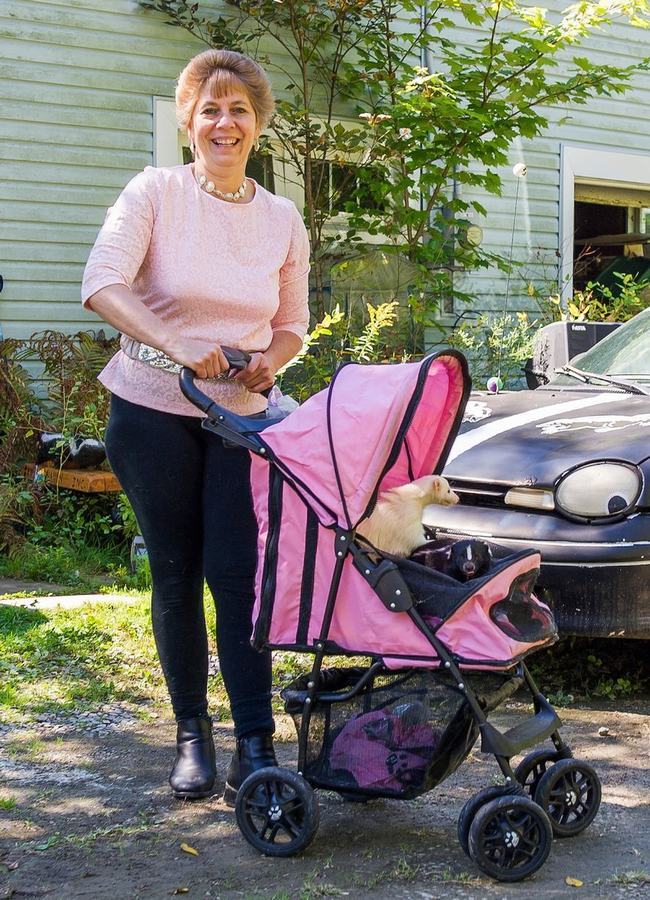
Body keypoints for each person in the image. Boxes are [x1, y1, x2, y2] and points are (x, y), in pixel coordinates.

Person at [81, 48, 310, 803]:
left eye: (239, 109)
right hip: (151, 411)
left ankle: (256, 743)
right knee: (175, 572)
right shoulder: (154, 192)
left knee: (238, 577)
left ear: (258, 124)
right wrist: (175, 341)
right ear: (188, 123)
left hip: (238, 421)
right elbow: (102, 283)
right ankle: (191, 735)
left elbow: (292, 323)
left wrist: (272, 361)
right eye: (209, 109)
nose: (224, 122)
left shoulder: (281, 218)